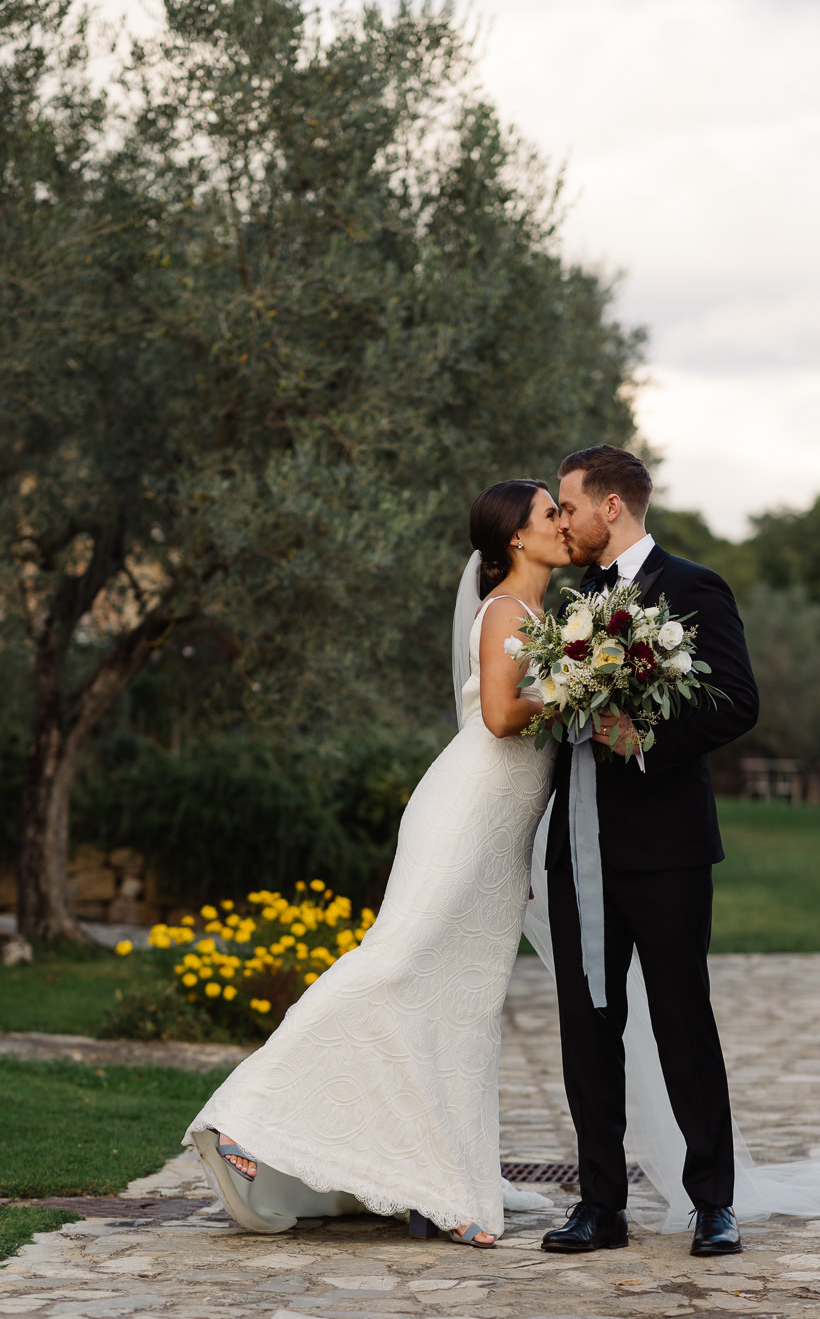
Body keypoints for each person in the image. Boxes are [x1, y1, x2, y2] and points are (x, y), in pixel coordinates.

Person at [184, 478, 571, 1247]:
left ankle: (439, 1177)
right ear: (516, 540)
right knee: (392, 968)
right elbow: (500, 717)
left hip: (499, 837)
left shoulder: (539, 615)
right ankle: (242, 1117)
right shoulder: (502, 613)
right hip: (464, 815)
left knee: (461, 1007)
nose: (563, 522)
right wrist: (575, 686)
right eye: (550, 514)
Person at [537, 443, 758, 1256]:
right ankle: (600, 1206)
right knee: (586, 1027)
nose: (562, 519)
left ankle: (714, 1202)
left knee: (681, 1020)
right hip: (580, 846)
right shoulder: (574, 602)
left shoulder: (694, 588)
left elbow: (737, 700)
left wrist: (639, 737)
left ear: (612, 507)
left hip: (666, 848)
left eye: (568, 505)